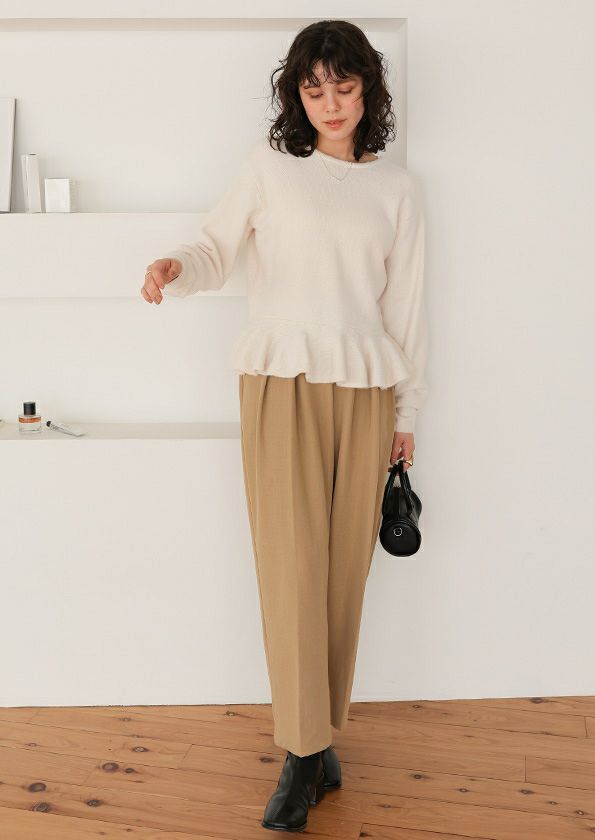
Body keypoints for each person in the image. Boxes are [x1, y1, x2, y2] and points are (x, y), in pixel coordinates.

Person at [140, 19, 428, 833]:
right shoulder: (269, 170)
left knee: (341, 576)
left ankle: (320, 739)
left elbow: (409, 309)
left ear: (368, 91)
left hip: (364, 392)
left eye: (344, 85)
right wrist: (176, 269)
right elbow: (214, 248)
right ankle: (302, 755)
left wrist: (408, 413)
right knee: (290, 570)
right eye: (313, 88)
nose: (330, 103)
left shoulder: (399, 190)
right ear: (295, 97)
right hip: (280, 385)